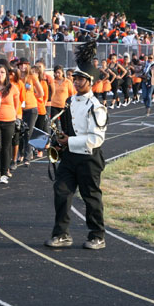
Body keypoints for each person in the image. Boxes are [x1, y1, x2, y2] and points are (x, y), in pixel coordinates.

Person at [45, 40, 108, 250]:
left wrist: (69, 141)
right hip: (70, 156)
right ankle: (61, 234)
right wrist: (59, 140)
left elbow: (96, 139)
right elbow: (69, 128)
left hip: (89, 158)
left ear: (90, 81)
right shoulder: (70, 101)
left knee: (91, 198)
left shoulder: (96, 107)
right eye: (76, 78)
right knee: (61, 193)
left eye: (81, 79)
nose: (77, 82)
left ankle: (97, 235)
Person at [0, 62, 19, 185]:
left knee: (6, 147)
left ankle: (4, 172)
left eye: (2, 72)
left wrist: (13, 116)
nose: (0, 74)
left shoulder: (12, 88)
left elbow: (16, 105)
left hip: (9, 121)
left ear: (6, 74)